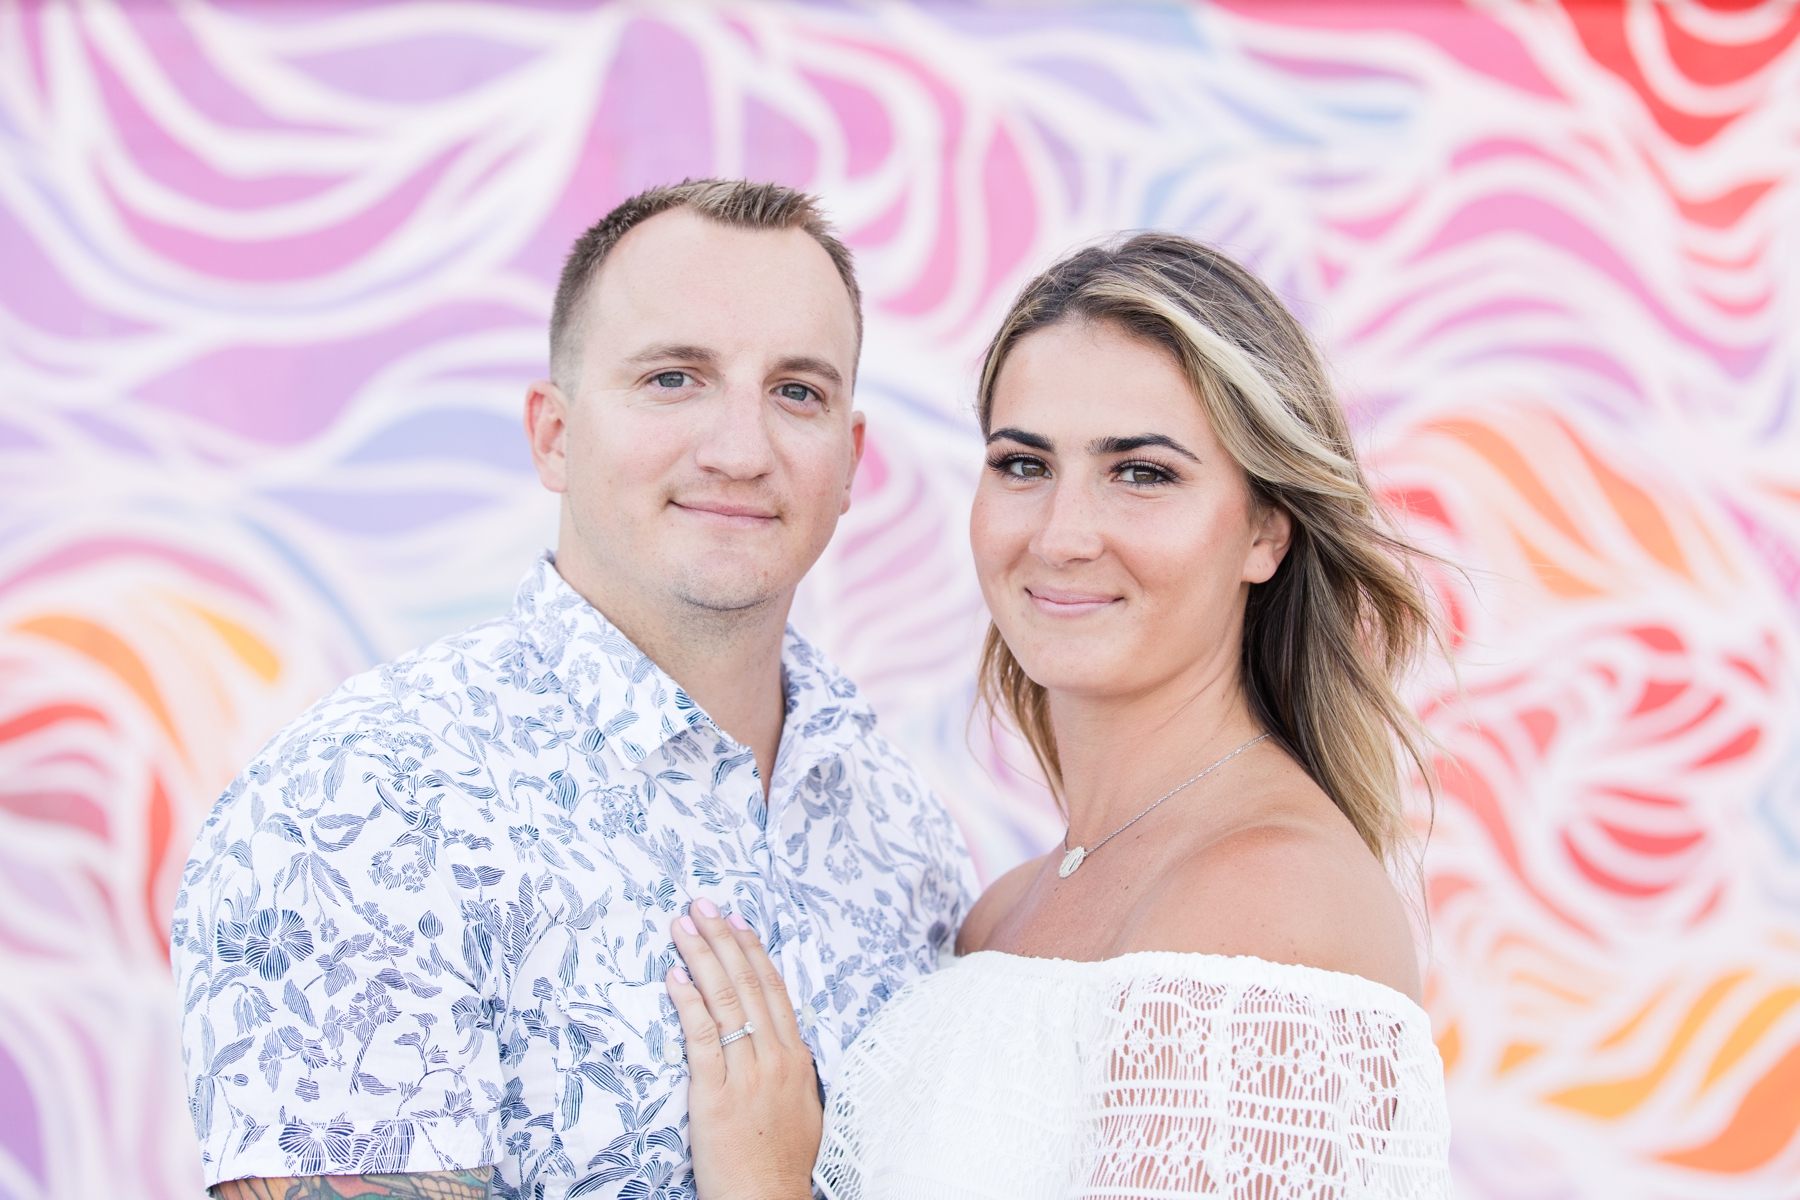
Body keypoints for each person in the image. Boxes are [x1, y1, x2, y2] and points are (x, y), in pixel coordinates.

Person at [171, 179, 976, 1200]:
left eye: (798, 392)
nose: (740, 449)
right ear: (554, 435)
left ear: (851, 461)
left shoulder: (904, 838)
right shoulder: (362, 807)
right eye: (675, 379)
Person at [661, 232, 1455, 1198]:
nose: (1063, 535)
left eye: (1142, 473)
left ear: (1263, 530)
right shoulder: (1000, 916)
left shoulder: (1272, 901)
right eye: (1024, 464)